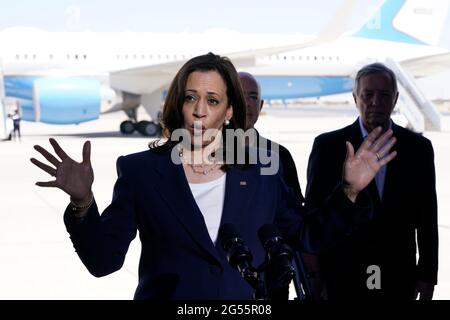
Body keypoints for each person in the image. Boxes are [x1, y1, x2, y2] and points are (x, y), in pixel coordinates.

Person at [31, 53, 396, 300]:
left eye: (212, 100)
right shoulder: (141, 171)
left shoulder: (261, 173)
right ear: (178, 104)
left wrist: (348, 191)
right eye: (190, 98)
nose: (199, 112)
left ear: (229, 111)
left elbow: (307, 234)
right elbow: (103, 261)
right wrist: (82, 203)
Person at [305, 62, 438, 300]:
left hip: (398, 275)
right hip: (342, 273)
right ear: (355, 97)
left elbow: (427, 216)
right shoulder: (328, 146)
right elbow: (314, 216)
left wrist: (428, 275)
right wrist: (315, 276)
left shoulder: (418, 148)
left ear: (395, 99)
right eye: (368, 94)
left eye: (384, 94)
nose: (376, 101)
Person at [238, 71, 303, 202]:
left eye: (252, 97)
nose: (246, 104)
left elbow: (295, 211)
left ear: (260, 106)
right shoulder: (208, 153)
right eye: (239, 96)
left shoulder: (280, 155)